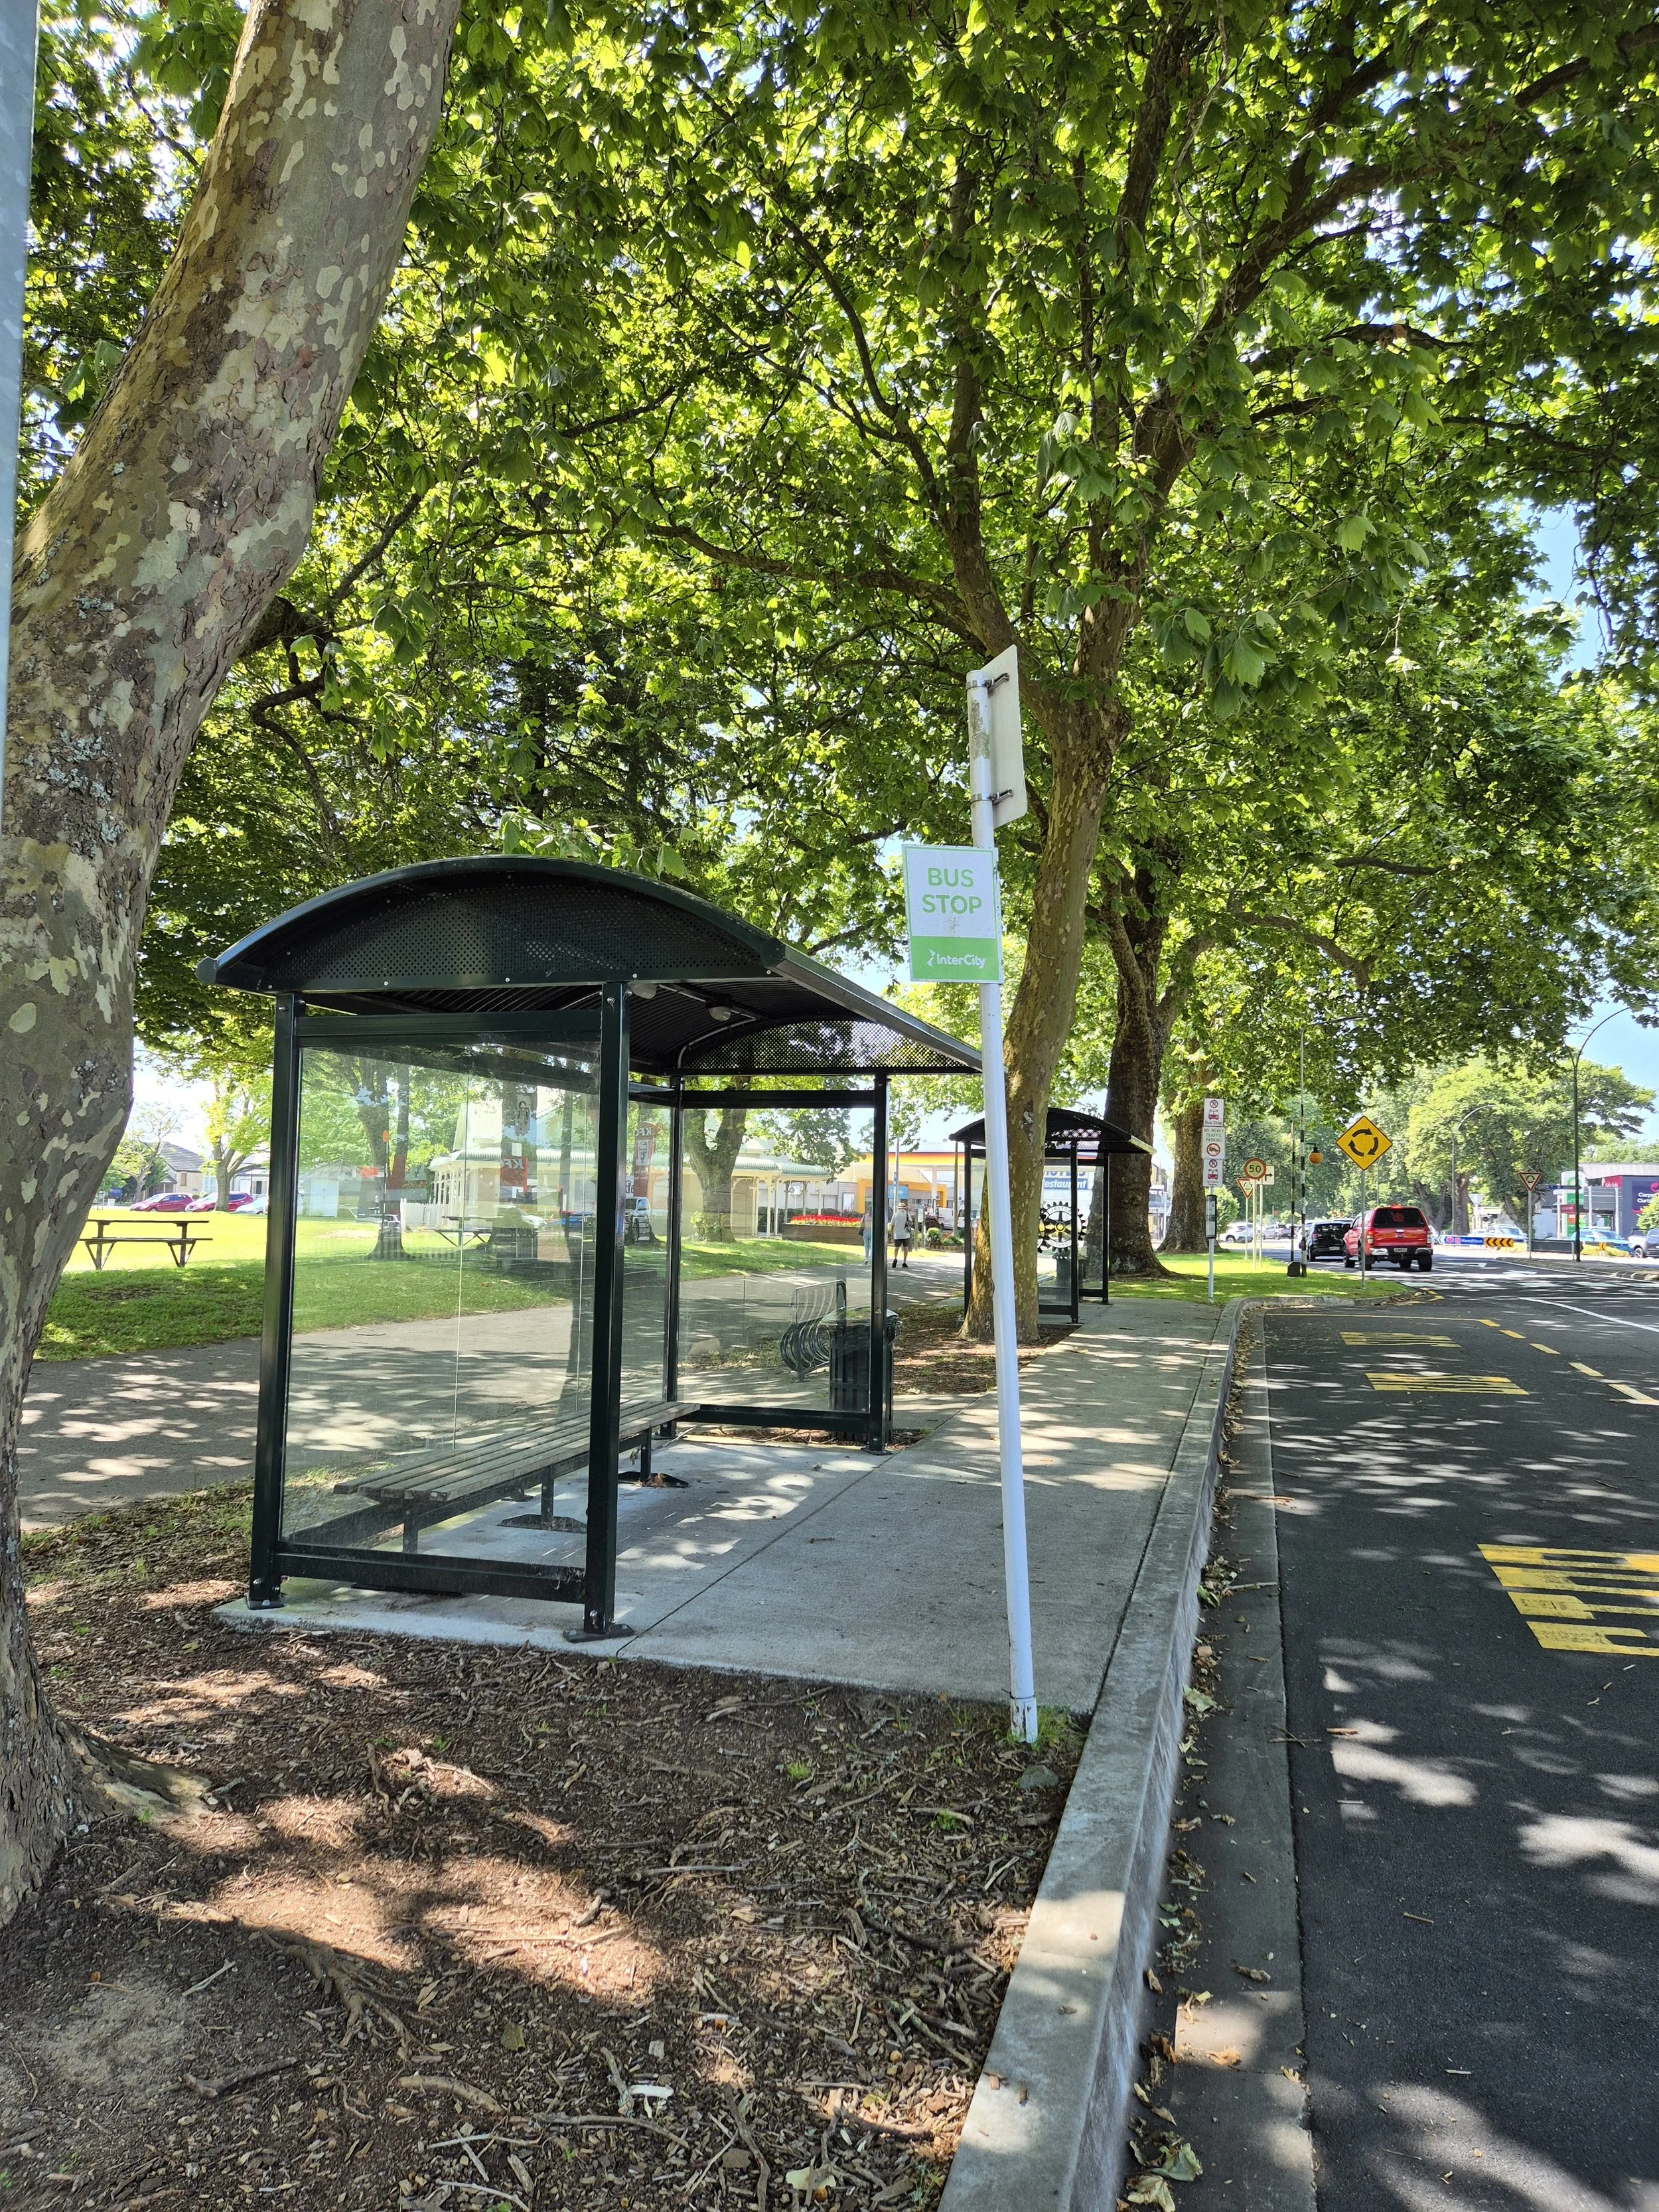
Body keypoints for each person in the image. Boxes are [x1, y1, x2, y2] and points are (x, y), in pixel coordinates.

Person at [891, 1199, 912, 1269]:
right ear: (904, 1208)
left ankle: (895, 1258)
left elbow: (892, 1225)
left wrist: (892, 1234)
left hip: (897, 1234)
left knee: (897, 1248)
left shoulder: (895, 1215)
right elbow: (911, 1223)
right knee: (906, 1248)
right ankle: (904, 1262)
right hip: (905, 1234)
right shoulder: (907, 1214)